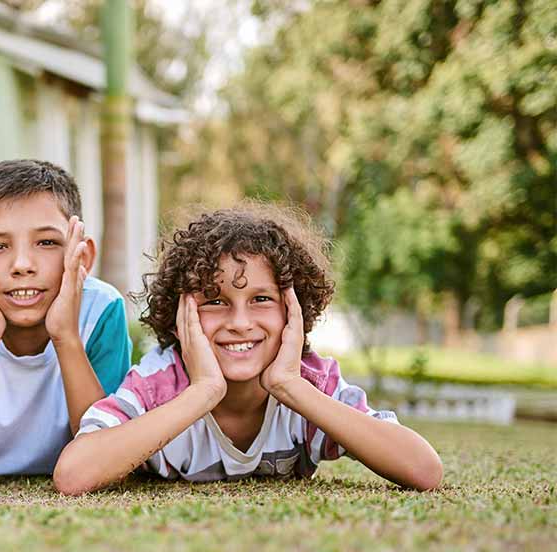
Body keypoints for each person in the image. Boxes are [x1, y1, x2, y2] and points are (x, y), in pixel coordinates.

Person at [54, 202, 443, 494]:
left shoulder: (310, 383)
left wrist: (291, 386)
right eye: (215, 301)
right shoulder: (159, 384)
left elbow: (424, 470)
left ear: (294, 312)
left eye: (261, 300)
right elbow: (74, 474)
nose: (240, 322)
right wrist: (203, 392)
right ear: (180, 314)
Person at [0, 160, 131, 489]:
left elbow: (108, 463)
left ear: (82, 255)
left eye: (46, 243)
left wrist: (66, 337)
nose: (22, 265)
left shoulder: (101, 310)